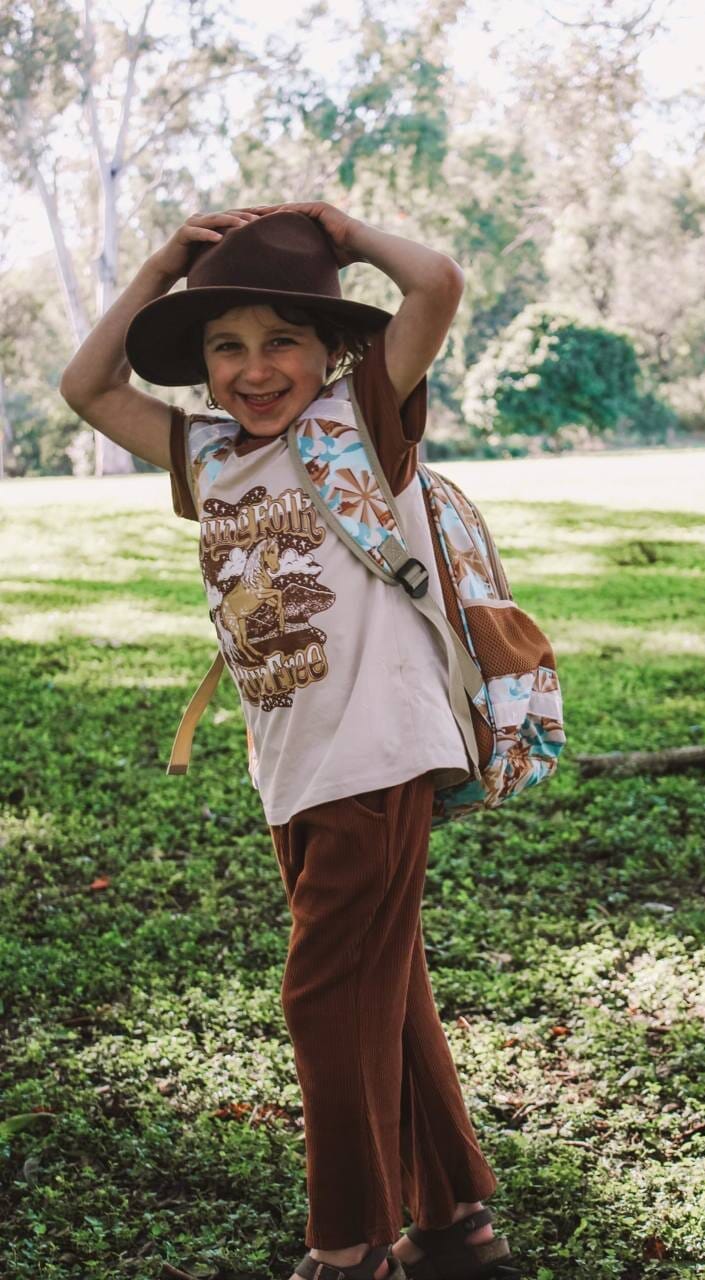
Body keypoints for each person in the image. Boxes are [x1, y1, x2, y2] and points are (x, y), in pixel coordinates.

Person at [59, 204, 518, 1280]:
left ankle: (348, 1241)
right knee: (383, 987)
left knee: (322, 992)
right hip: (295, 764)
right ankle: (455, 1224)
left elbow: (438, 284)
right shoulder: (206, 455)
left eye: (281, 342)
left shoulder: (365, 416)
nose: (254, 369)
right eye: (227, 345)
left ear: (331, 352)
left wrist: (346, 234)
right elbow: (84, 388)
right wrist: (165, 262)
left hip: (383, 751)